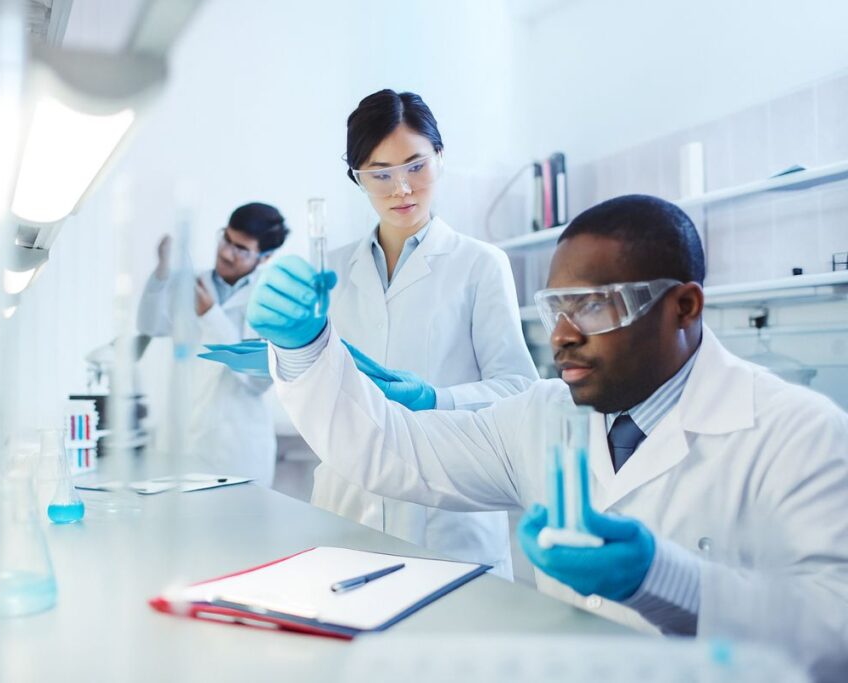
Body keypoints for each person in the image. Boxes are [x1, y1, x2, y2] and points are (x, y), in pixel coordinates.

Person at [247, 194, 848, 681]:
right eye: (555, 308)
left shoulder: (798, 432)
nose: (561, 335)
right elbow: (392, 451)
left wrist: (664, 579)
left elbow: (837, 633)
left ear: (684, 307)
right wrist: (305, 349)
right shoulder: (540, 416)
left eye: (592, 306)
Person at [313, 89, 537, 576]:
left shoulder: (480, 264)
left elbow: (520, 389)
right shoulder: (329, 272)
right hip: (347, 506)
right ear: (357, 178)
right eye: (380, 174)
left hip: (450, 515)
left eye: (416, 166)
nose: (402, 189)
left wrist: (437, 399)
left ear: (440, 157)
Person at [137, 202, 289, 486]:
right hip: (182, 440)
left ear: (265, 257)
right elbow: (150, 326)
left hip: (238, 448)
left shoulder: (272, 301)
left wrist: (211, 315)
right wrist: (161, 273)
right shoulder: (192, 284)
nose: (226, 253)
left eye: (241, 249)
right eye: (226, 239)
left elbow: (257, 382)